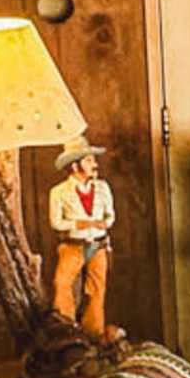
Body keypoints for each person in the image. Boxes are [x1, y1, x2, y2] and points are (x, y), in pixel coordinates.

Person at [47, 138, 116, 334]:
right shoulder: (58, 192)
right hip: (73, 245)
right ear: (75, 165)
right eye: (89, 161)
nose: (95, 165)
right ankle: (65, 329)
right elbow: (56, 222)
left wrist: (104, 222)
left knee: (96, 289)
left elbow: (110, 215)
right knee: (62, 284)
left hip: (98, 245)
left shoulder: (102, 188)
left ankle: (93, 332)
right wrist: (79, 223)